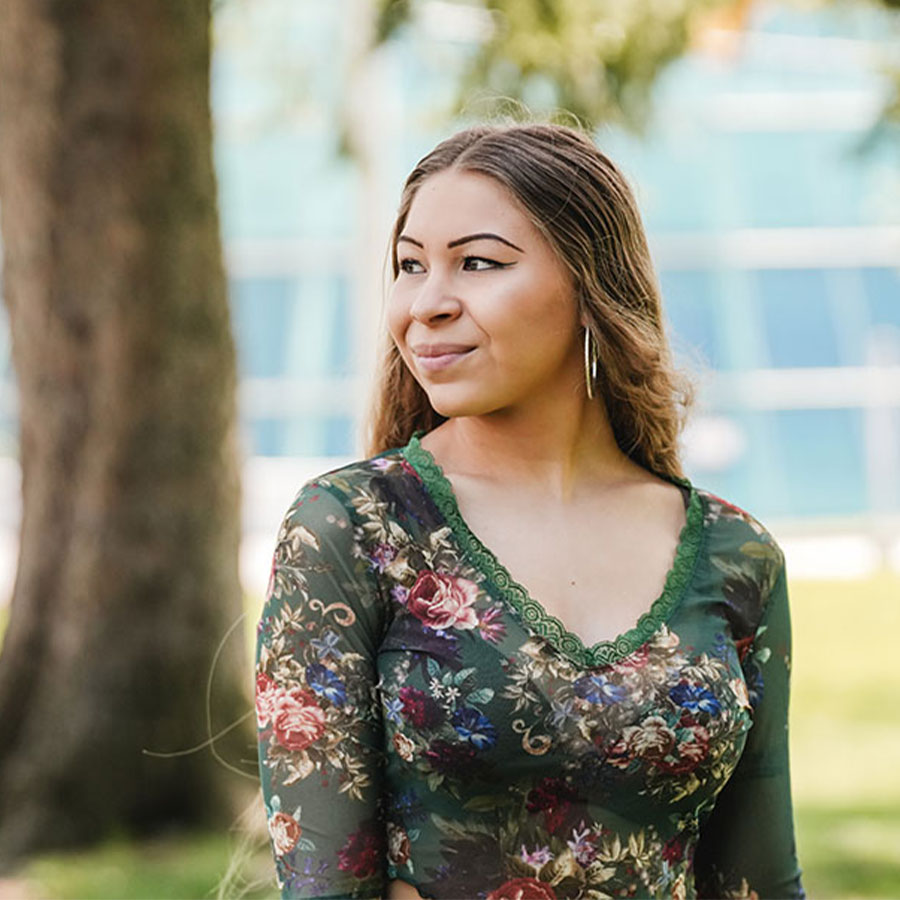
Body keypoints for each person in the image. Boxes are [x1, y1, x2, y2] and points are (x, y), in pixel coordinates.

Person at [255, 121, 805, 900]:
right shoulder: (354, 527)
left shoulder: (735, 554)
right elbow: (324, 888)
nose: (427, 303)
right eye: (410, 266)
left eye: (477, 263)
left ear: (590, 284)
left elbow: (762, 882)